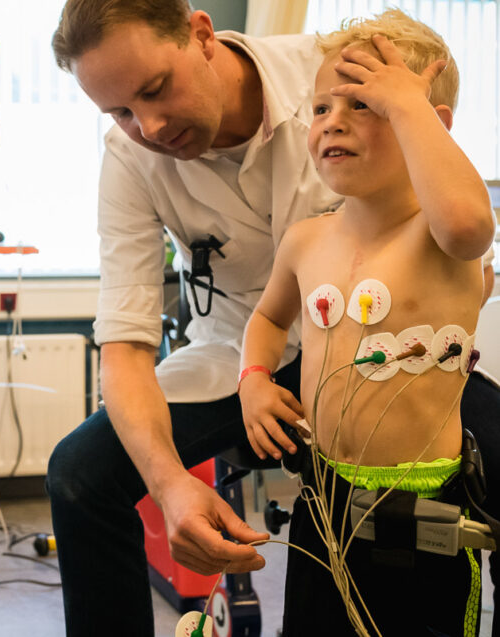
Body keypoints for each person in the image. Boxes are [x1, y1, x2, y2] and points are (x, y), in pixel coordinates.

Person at [45, 2, 500, 635]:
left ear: (202, 35)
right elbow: (124, 344)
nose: (146, 125)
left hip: (392, 353)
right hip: (239, 356)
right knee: (78, 474)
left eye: (154, 90)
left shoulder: (338, 73)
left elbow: (456, 209)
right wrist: (172, 483)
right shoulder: (131, 161)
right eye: (119, 112)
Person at [238, 10, 493, 635]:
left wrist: (410, 107)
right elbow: (269, 317)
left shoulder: (440, 237)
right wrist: (253, 377)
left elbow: (468, 222)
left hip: (421, 508)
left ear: (430, 128)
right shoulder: (305, 239)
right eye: (321, 108)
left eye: (367, 105)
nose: (334, 122)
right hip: (323, 494)